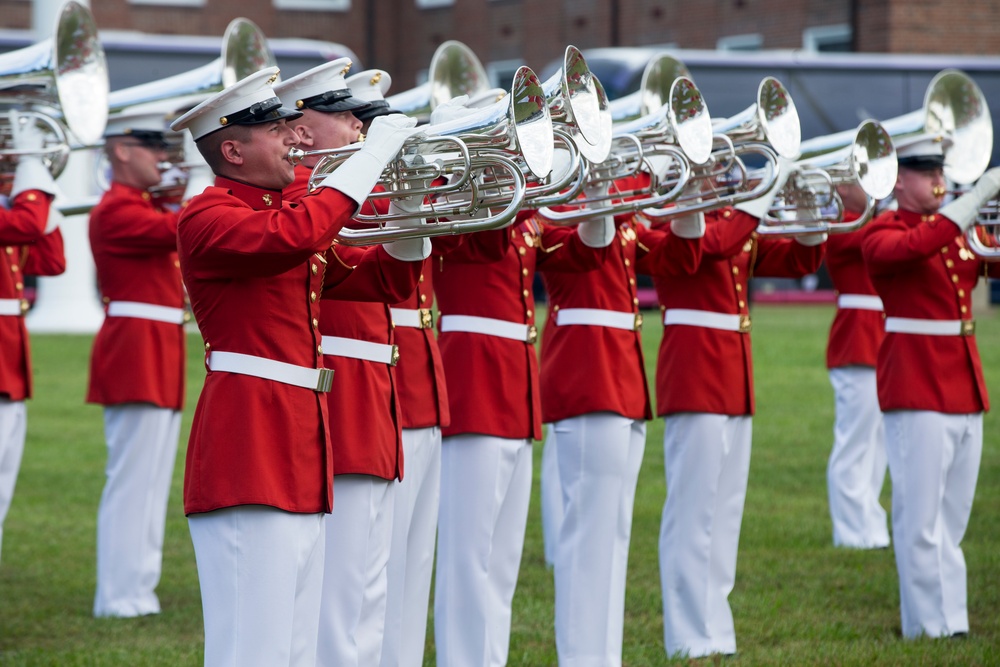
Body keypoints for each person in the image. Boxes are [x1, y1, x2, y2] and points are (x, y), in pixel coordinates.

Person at [169, 66, 421, 666]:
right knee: (253, 646)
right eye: (276, 130)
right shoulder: (208, 216)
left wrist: (412, 209)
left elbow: (377, 282)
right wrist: (371, 159)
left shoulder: (282, 214)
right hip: (248, 441)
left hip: (300, 440)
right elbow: (295, 236)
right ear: (232, 149)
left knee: (296, 645)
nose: (293, 138)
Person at [432, 94, 616, 666]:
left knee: (502, 555)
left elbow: (584, 256)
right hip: (474, 381)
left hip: (514, 387)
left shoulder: (521, 213)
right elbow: (482, 237)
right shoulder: (454, 201)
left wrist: (600, 192)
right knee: (470, 553)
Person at [274, 58, 429, 666]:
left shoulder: (342, 187)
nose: (361, 127)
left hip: (377, 388)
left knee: (371, 580)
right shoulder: (311, 196)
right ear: (305, 130)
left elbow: (391, 281)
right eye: (345, 116)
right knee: (344, 586)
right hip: (342, 390)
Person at [653, 162, 826, 658]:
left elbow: (798, 261)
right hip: (695, 372)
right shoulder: (673, 215)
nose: (720, 173)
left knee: (724, 514)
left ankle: (715, 628)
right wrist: (764, 194)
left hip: (732, 375)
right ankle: (687, 634)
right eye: (706, 164)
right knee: (692, 512)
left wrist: (810, 212)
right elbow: (715, 244)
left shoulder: (732, 217)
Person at [537, 170, 703, 666]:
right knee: (589, 535)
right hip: (588, 372)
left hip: (621, 377)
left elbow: (680, 257)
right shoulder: (558, 204)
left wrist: (691, 195)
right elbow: (591, 245)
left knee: (612, 533)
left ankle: (601, 655)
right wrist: (597, 192)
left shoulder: (622, 214)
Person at [861, 133, 1000, 639]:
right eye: (927, 172)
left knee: (953, 515)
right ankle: (924, 623)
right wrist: (974, 198)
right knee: (920, 515)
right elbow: (919, 246)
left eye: (941, 170)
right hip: (916, 383)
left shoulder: (954, 232)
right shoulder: (881, 233)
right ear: (900, 180)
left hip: (962, 383)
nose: (940, 179)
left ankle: (952, 617)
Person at [86, 109, 186, 618]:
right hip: (135, 349)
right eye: (151, 146)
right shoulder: (116, 210)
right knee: (132, 480)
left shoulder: (143, 204)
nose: (163, 158)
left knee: (151, 481)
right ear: (122, 150)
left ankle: (137, 590)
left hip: (157, 347)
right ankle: (118, 595)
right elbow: (181, 229)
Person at [0, 111, 65, 565]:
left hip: (10, 362)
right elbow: (25, 226)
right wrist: (29, 171)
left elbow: (51, 260)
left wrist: (38, 178)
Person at [823, 183, 890, 549]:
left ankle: (870, 524)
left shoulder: (872, 222)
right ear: (844, 188)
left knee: (877, 444)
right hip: (857, 342)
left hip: (879, 339)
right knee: (854, 442)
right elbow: (873, 239)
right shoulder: (842, 226)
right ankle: (850, 531)